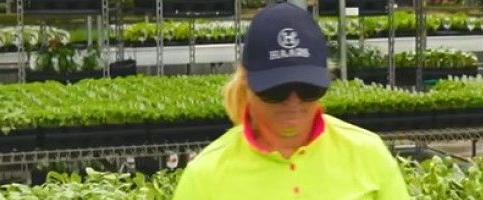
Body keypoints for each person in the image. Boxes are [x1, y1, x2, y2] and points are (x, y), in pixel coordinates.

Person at [173, 4, 410, 200]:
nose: (293, 101)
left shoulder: (368, 153)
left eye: (307, 89)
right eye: (277, 90)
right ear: (246, 81)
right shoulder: (205, 175)